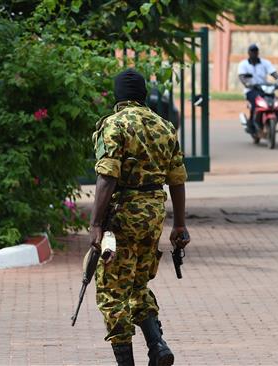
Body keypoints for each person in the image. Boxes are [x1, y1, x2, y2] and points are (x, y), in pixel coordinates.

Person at [90, 69, 191, 366]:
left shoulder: (114, 125)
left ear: (117, 95)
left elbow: (107, 178)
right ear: (144, 95)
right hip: (152, 216)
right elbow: (177, 179)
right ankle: (156, 344)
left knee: (111, 291)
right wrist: (180, 224)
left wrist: (96, 224)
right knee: (137, 285)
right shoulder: (164, 126)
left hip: (118, 221)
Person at [237, 44, 278, 139]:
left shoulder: (264, 63)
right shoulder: (243, 64)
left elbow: (273, 72)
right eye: (252, 51)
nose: (254, 53)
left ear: (258, 52)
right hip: (251, 90)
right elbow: (242, 77)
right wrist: (247, 83)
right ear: (249, 53)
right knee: (255, 105)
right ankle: (252, 126)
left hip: (265, 89)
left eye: (255, 51)